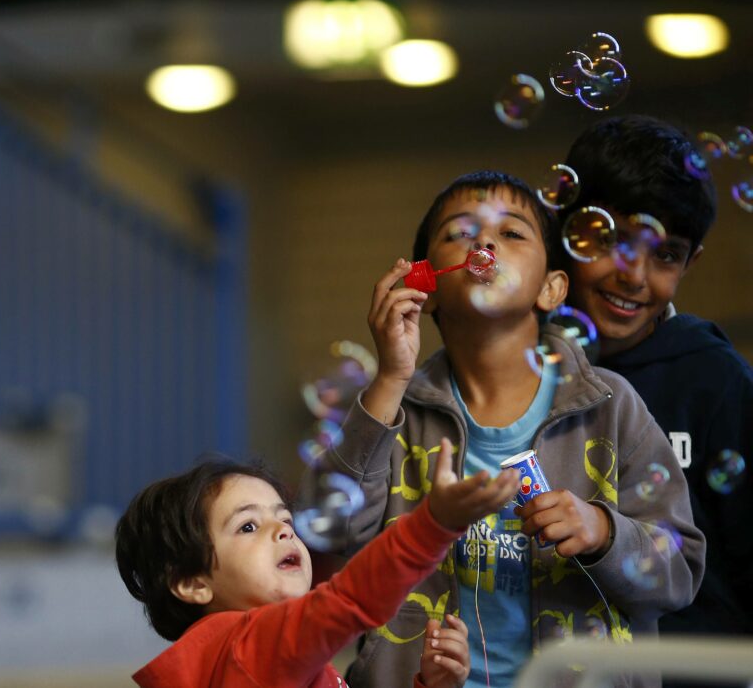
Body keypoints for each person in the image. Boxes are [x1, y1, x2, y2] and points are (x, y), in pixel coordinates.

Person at [321, 170, 705, 688]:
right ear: (425, 286)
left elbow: (680, 574)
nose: (483, 242)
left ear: (551, 288)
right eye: (460, 233)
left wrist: (603, 531)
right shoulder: (396, 411)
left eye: (511, 232)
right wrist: (391, 376)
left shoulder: (610, 406)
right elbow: (333, 531)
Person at [559, 115, 753, 648]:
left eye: (666, 254)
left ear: (691, 262)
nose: (634, 275)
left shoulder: (715, 379)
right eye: (614, 241)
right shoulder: (515, 367)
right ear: (569, 230)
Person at [115, 447, 520, 688]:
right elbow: (349, 600)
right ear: (191, 582)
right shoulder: (248, 646)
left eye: (285, 519)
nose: (283, 531)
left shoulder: (277, 658)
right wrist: (433, 525)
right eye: (248, 525)